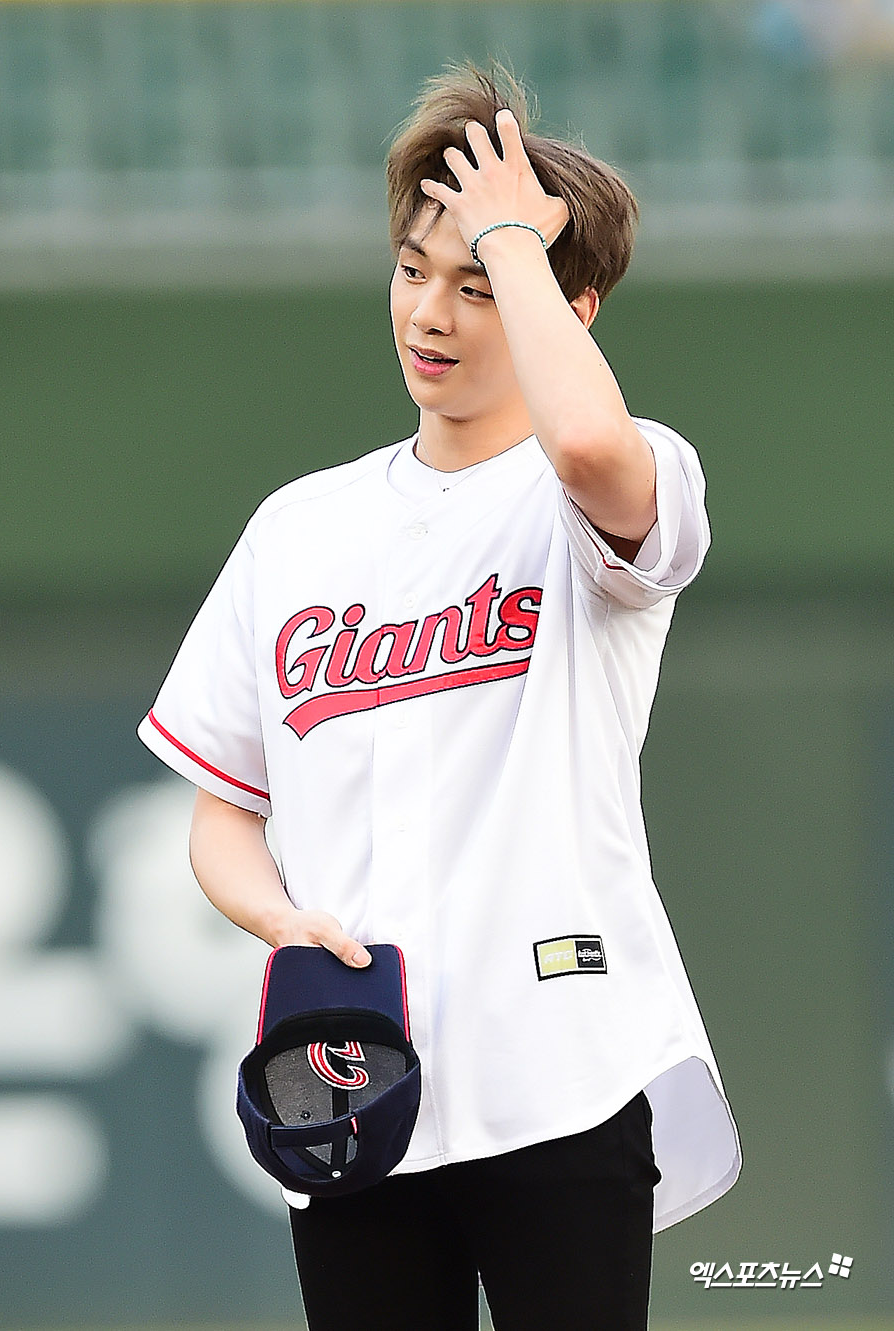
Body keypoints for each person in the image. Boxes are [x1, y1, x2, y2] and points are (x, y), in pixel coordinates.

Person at [139, 61, 741, 1331]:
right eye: (414, 269)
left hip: (563, 1067)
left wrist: (516, 237)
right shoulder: (298, 526)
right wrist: (280, 917)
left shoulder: (606, 484)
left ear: (568, 307)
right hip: (355, 1084)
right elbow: (221, 806)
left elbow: (589, 445)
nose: (431, 311)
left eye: (477, 284)